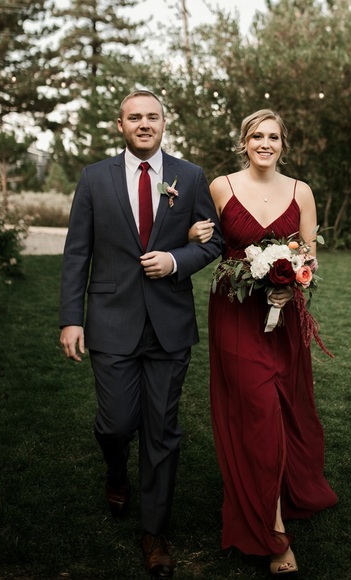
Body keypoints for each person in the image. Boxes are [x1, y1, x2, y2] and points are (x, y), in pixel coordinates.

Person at [59, 89, 223, 579]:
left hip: (170, 324)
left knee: (162, 431)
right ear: (121, 125)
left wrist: (175, 259)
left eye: (152, 116)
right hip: (111, 320)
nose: (144, 124)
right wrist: (71, 318)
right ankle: (115, 470)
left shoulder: (190, 176)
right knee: (116, 424)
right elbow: (77, 252)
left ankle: (155, 533)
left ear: (164, 123)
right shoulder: (94, 178)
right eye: (135, 117)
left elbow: (213, 239)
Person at [206, 109, 338, 575]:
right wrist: (192, 232)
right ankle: (274, 532)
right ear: (244, 142)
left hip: (283, 318)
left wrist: (293, 282)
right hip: (235, 314)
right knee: (257, 412)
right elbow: (206, 244)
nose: (265, 143)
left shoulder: (301, 192)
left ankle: (286, 487)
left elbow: (311, 258)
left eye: (273, 137)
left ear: (284, 144)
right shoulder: (221, 187)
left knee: (285, 407)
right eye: (257, 136)